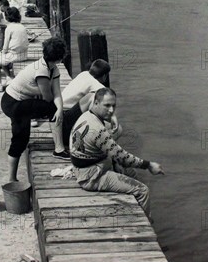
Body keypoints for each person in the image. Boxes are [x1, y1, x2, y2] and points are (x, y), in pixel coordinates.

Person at [69, 88, 164, 217]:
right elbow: (123, 158)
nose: (111, 110)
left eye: (114, 106)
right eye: (107, 106)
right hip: (91, 176)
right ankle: (142, 224)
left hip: (86, 166)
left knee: (131, 172)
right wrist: (148, 165)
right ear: (96, 103)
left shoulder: (87, 115)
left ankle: (134, 207)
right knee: (143, 190)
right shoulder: (97, 130)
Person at [1, 37, 69, 182]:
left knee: (53, 109)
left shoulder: (53, 68)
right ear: (59, 57)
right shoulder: (42, 71)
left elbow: (57, 93)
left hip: (23, 100)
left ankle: (59, 149)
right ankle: (11, 179)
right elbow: (48, 97)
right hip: (12, 102)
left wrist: (60, 109)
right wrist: (55, 109)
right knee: (20, 139)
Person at [61, 59, 117, 145]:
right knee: (92, 97)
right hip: (66, 124)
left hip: (58, 119)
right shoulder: (96, 85)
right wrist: (113, 117)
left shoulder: (83, 74)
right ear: (104, 76)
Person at [0, 7, 28, 91]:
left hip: (15, 56)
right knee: (3, 58)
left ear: (7, 17)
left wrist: (3, 52)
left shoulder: (9, 28)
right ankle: (9, 77)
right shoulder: (22, 26)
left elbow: (5, 46)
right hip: (24, 55)